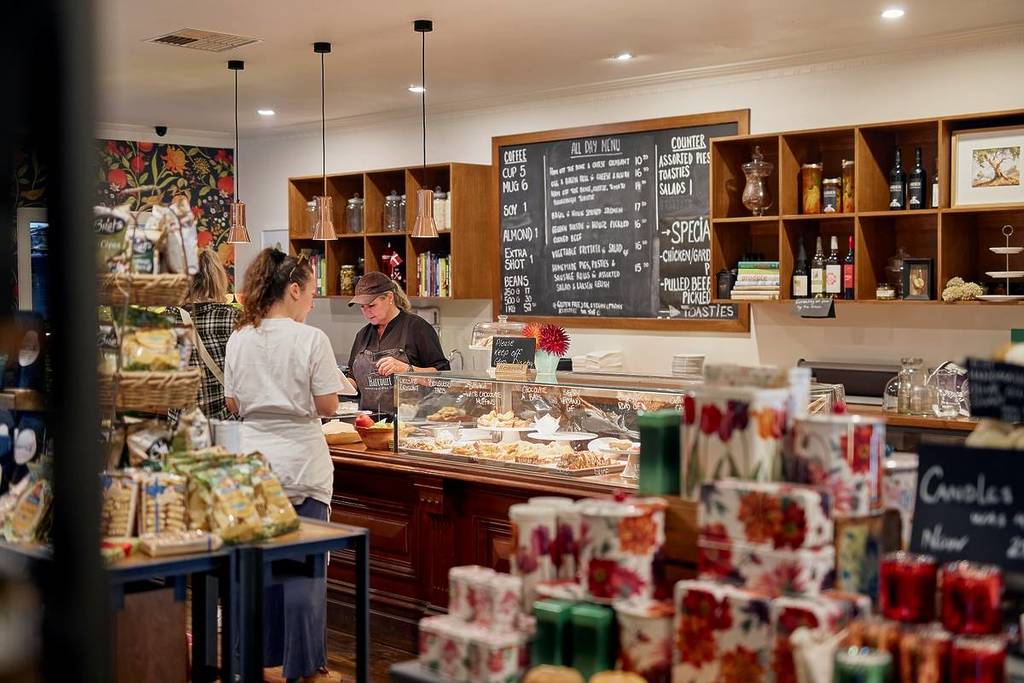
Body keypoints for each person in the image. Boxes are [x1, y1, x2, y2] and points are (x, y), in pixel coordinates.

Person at [224, 249, 341, 683]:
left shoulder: (240, 337)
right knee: (305, 572)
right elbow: (328, 405)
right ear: (292, 290)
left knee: (256, 570)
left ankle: (253, 660)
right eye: (310, 293)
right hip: (303, 464)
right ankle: (306, 669)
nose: (311, 302)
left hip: (253, 463)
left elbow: (234, 402)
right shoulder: (310, 340)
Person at [347, 272, 450, 414]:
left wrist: (407, 370)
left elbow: (444, 379)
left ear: (390, 297)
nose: (367, 312)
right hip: (370, 425)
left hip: (410, 425)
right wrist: (337, 384)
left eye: (371, 305)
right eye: (362, 307)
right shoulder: (362, 335)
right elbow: (353, 380)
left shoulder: (417, 328)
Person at [166, 248, 238, 421]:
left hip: (182, 423)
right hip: (225, 423)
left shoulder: (167, 318)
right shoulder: (233, 318)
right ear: (219, 279)